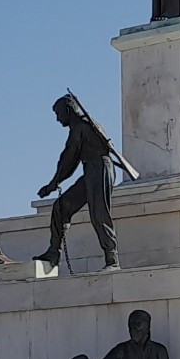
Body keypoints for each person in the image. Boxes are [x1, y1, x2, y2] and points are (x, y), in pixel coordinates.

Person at [35, 96, 117, 270]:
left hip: (99, 169)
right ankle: (53, 252)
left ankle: (112, 259)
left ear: (68, 110)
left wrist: (52, 184)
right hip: (92, 170)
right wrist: (55, 181)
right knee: (61, 207)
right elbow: (69, 160)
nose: (58, 119)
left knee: (99, 214)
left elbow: (68, 159)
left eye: (58, 114)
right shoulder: (82, 125)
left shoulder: (81, 126)